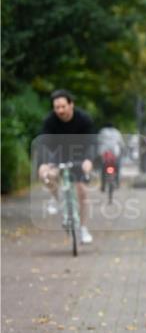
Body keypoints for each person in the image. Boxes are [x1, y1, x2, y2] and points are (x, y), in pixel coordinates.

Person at [37, 89, 96, 244]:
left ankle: (83, 229)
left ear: (71, 105)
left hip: (80, 156)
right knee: (47, 175)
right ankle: (57, 199)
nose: (60, 110)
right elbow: (43, 143)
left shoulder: (84, 119)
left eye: (63, 106)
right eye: (57, 107)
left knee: (82, 192)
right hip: (59, 154)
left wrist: (89, 160)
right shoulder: (50, 121)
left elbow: (92, 143)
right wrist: (43, 164)